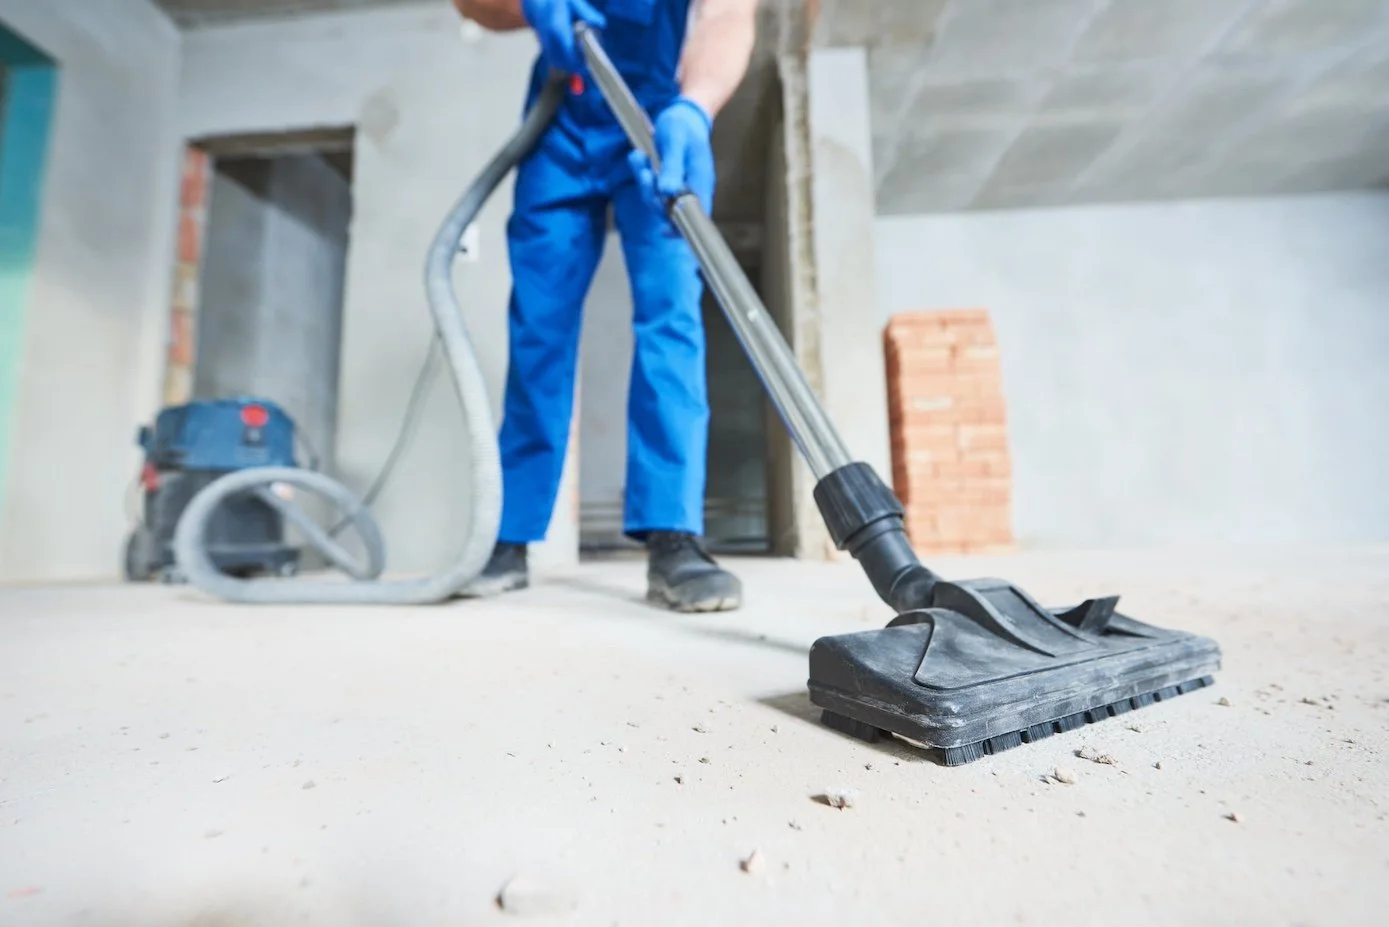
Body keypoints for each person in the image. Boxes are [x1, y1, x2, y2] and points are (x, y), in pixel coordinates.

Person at [452, 0, 758, 611]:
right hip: (562, 123)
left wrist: (695, 107)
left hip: (656, 117)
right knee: (538, 327)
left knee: (670, 318)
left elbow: (726, 13)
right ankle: (509, 536)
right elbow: (474, 5)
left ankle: (674, 537)